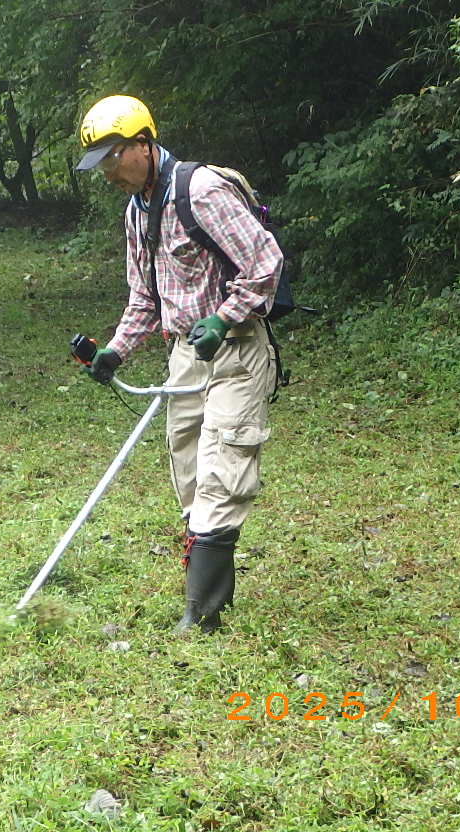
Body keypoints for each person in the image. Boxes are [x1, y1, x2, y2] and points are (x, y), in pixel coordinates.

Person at [74, 94, 283, 634]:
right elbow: (146, 298)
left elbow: (265, 261)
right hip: (185, 353)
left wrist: (225, 315)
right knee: (188, 466)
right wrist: (115, 350)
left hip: (234, 346)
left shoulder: (202, 191)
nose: (108, 174)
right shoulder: (136, 211)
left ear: (143, 143)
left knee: (223, 467)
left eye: (113, 159)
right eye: (99, 165)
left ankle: (201, 613)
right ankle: (207, 585)